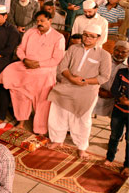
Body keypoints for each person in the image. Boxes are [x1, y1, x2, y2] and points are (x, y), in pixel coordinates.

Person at [47, 24, 111, 158]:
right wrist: (71, 78)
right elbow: (63, 66)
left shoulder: (104, 55)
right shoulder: (73, 48)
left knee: (82, 119)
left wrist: (85, 81)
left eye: (91, 36)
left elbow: (104, 77)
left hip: (86, 91)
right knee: (58, 113)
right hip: (67, 86)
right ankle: (57, 140)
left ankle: (82, 147)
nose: (87, 38)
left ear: (98, 38)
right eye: (85, 35)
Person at [0, 11, 66, 135]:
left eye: (42, 21)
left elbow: (56, 59)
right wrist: (25, 60)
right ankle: (21, 121)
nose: (39, 23)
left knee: (43, 102)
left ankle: (40, 129)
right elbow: (20, 49)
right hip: (26, 67)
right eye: (38, 21)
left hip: (45, 72)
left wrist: (38, 64)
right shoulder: (30, 32)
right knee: (19, 93)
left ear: (50, 21)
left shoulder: (58, 37)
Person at [105, 63, 129, 176]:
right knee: (114, 135)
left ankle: (127, 165)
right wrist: (120, 98)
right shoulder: (122, 72)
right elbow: (114, 88)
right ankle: (109, 158)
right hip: (118, 110)